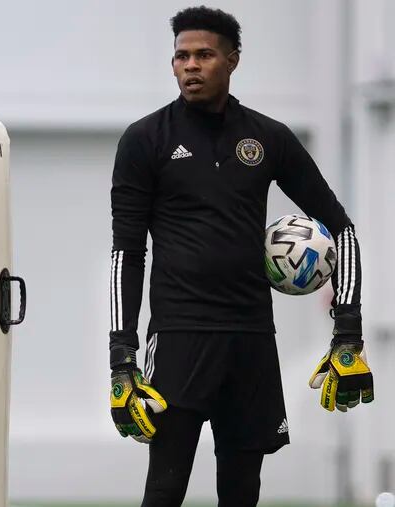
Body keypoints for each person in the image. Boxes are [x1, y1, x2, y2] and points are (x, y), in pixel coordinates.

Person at [108, 6, 374, 507]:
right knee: (164, 489)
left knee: (242, 491)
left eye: (204, 55)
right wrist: (121, 358)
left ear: (232, 60)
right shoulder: (145, 140)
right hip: (180, 336)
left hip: (251, 336)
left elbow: (343, 231)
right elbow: (127, 252)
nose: (190, 65)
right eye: (181, 56)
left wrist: (348, 335)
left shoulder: (269, 138)